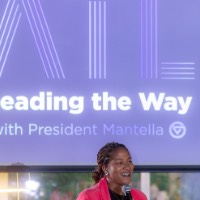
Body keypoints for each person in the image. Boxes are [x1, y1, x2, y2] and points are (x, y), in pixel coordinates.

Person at [76, 142, 147, 200]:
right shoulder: (88, 197)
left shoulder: (140, 197)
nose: (127, 167)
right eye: (120, 163)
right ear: (105, 168)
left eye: (129, 161)